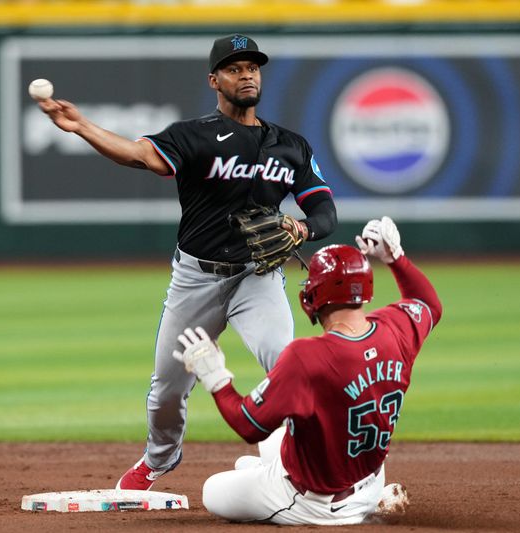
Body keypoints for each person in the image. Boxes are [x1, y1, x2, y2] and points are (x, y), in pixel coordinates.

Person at [36, 33, 337, 489]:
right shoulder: (192, 136)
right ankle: (158, 459)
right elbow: (138, 155)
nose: (247, 74)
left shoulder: (290, 145)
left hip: (258, 278)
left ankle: (314, 463)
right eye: (235, 68)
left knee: (286, 365)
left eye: (253, 67)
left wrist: (301, 228)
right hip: (197, 278)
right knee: (168, 389)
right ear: (214, 80)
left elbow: (325, 212)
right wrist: (82, 127)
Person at [172, 216, 442, 525]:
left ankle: (312, 496)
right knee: (269, 442)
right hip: (370, 478)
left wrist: (216, 377)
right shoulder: (395, 327)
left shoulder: (307, 357)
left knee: (213, 490)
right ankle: (365, 498)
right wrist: (395, 258)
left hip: (315, 503)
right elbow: (427, 304)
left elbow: (247, 424)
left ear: (315, 296)